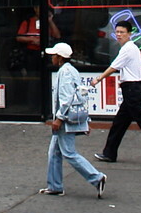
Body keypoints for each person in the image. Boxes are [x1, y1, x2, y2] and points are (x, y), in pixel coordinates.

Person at [95, 20, 141, 166]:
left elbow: (113, 67)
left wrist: (98, 79)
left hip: (132, 90)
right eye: (117, 32)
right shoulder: (131, 48)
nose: (119, 35)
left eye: (122, 32)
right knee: (119, 123)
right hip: (131, 89)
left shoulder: (128, 49)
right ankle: (109, 153)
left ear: (129, 34)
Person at [41, 42, 106, 198]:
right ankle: (55, 186)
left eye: (54, 55)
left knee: (68, 153)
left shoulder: (65, 73)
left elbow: (66, 99)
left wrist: (59, 119)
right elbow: (79, 97)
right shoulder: (71, 70)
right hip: (69, 117)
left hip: (65, 119)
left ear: (60, 57)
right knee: (54, 152)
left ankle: (97, 178)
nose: (52, 58)